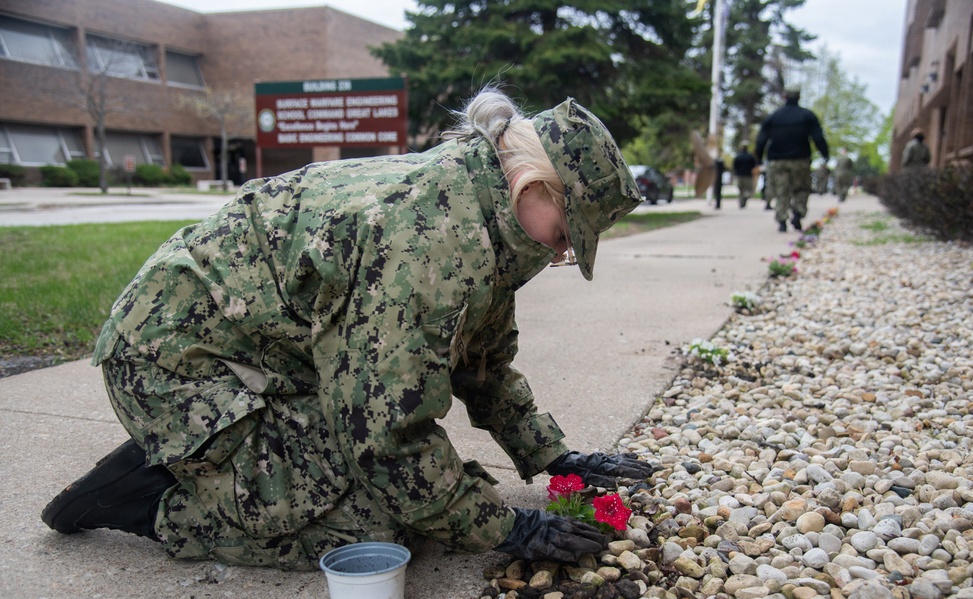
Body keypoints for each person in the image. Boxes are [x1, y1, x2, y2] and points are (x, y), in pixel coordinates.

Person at [41, 87, 653, 570]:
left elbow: (482, 363)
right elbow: (385, 437)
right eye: (567, 236)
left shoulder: (480, 209)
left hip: (255, 360)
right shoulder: (430, 244)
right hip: (174, 367)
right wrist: (507, 529)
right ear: (533, 184)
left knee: (402, 495)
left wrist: (553, 456)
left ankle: (220, 458)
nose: (560, 255)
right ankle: (152, 501)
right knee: (376, 527)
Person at [755, 86, 829, 233]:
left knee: (782, 190)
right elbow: (818, 137)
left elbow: (761, 140)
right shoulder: (807, 116)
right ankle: (798, 212)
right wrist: (825, 154)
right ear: (799, 97)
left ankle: (782, 219)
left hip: (778, 160)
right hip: (800, 159)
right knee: (802, 188)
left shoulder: (773, 117)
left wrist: (759, 158)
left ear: (784, 97)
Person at [732, 143, 757, 209]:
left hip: (739, 175)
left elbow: (735, 166)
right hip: (748, 175)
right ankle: (744, 198)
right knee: (748, 190)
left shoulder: (738, 157)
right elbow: (754, 166)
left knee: (741, 190)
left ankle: (741, 201)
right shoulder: (750, 157)